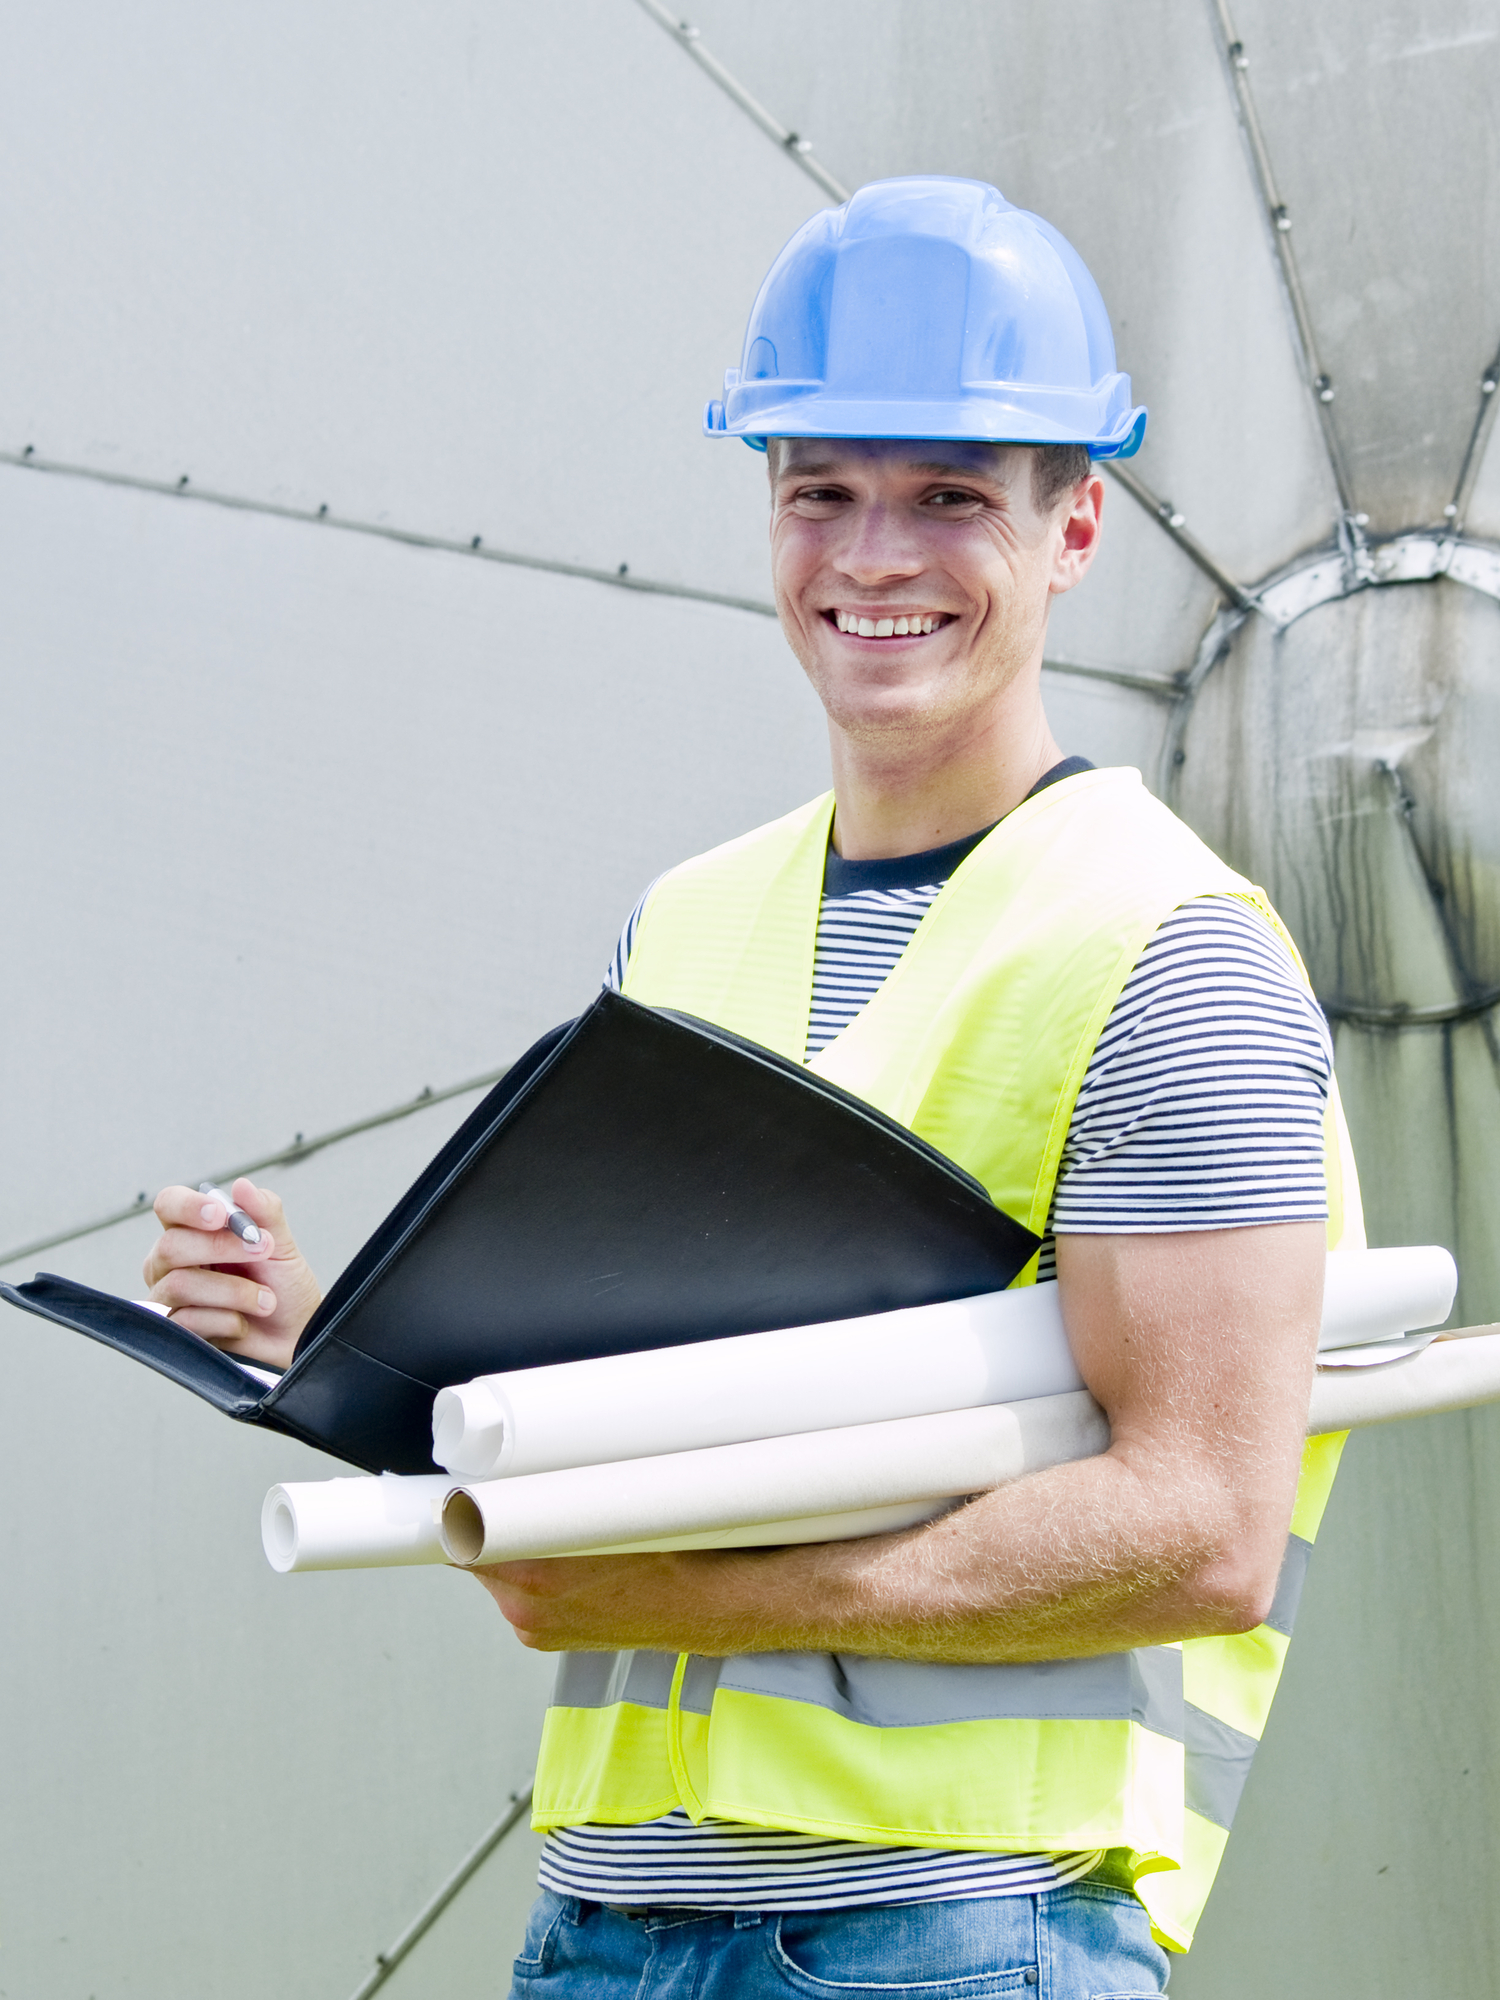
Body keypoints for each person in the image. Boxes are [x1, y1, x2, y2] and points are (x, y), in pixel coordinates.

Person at [143, 179, 1358, 1997]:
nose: (873, 556)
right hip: (608, 1925)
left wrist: (691, 1595)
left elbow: (1202, 1526)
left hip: (952, 1929)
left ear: (1075, 524)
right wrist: (330, 1337)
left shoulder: (1167, 950)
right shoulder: (689, 926)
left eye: (951, 496)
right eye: (822, 494)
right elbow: (622, 1402)